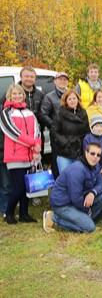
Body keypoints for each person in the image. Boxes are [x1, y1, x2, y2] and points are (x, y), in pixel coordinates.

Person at [0, 84, 41, 224]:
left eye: (19, 94)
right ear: (9, 96)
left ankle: (24, 214)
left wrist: (37, 147)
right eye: (14, 94)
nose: (17, 96)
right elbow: (12, 133)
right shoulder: (6, 112)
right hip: (15, 156)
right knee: (19, 187)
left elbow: (38, 130)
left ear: (23, 95)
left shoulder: (29, 112)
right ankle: (9, 213)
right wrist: (32, 144)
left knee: (27, 186)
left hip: (30, 156)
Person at [43, 142, 102, 233]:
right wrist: (86, 210)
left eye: (98, 155)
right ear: (86, 153)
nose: (95, 157)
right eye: (92, 153)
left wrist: (93, 193)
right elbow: (75, 197)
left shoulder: (96, 166)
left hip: (77, 200)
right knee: (90, 228)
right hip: (63, 204)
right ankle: (54, 218)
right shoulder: (77, 170)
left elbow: (101, 184)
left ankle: (84, 221)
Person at [51, 89, 90, 173]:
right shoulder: (60, 113)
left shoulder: (83, 112)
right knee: (66, 179)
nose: (72, 101)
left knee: (78, 179)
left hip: (80, 152)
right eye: (69, 99)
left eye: (74, 98)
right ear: (66, 101)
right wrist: (65, 143)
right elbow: (54, 132)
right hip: (65, 153)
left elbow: (87, 131)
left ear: (78, 99)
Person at [40, 72, 70, 178]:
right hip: (57, 135)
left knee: (70, 159)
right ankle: (57, 184)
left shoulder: (71, 94)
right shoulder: (49, 97)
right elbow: (43, 115)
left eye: (65, 79)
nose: (62, 81)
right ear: (55, 81)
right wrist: (55, 126)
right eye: (60, 79)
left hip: (71, 133)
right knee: (57, 159)